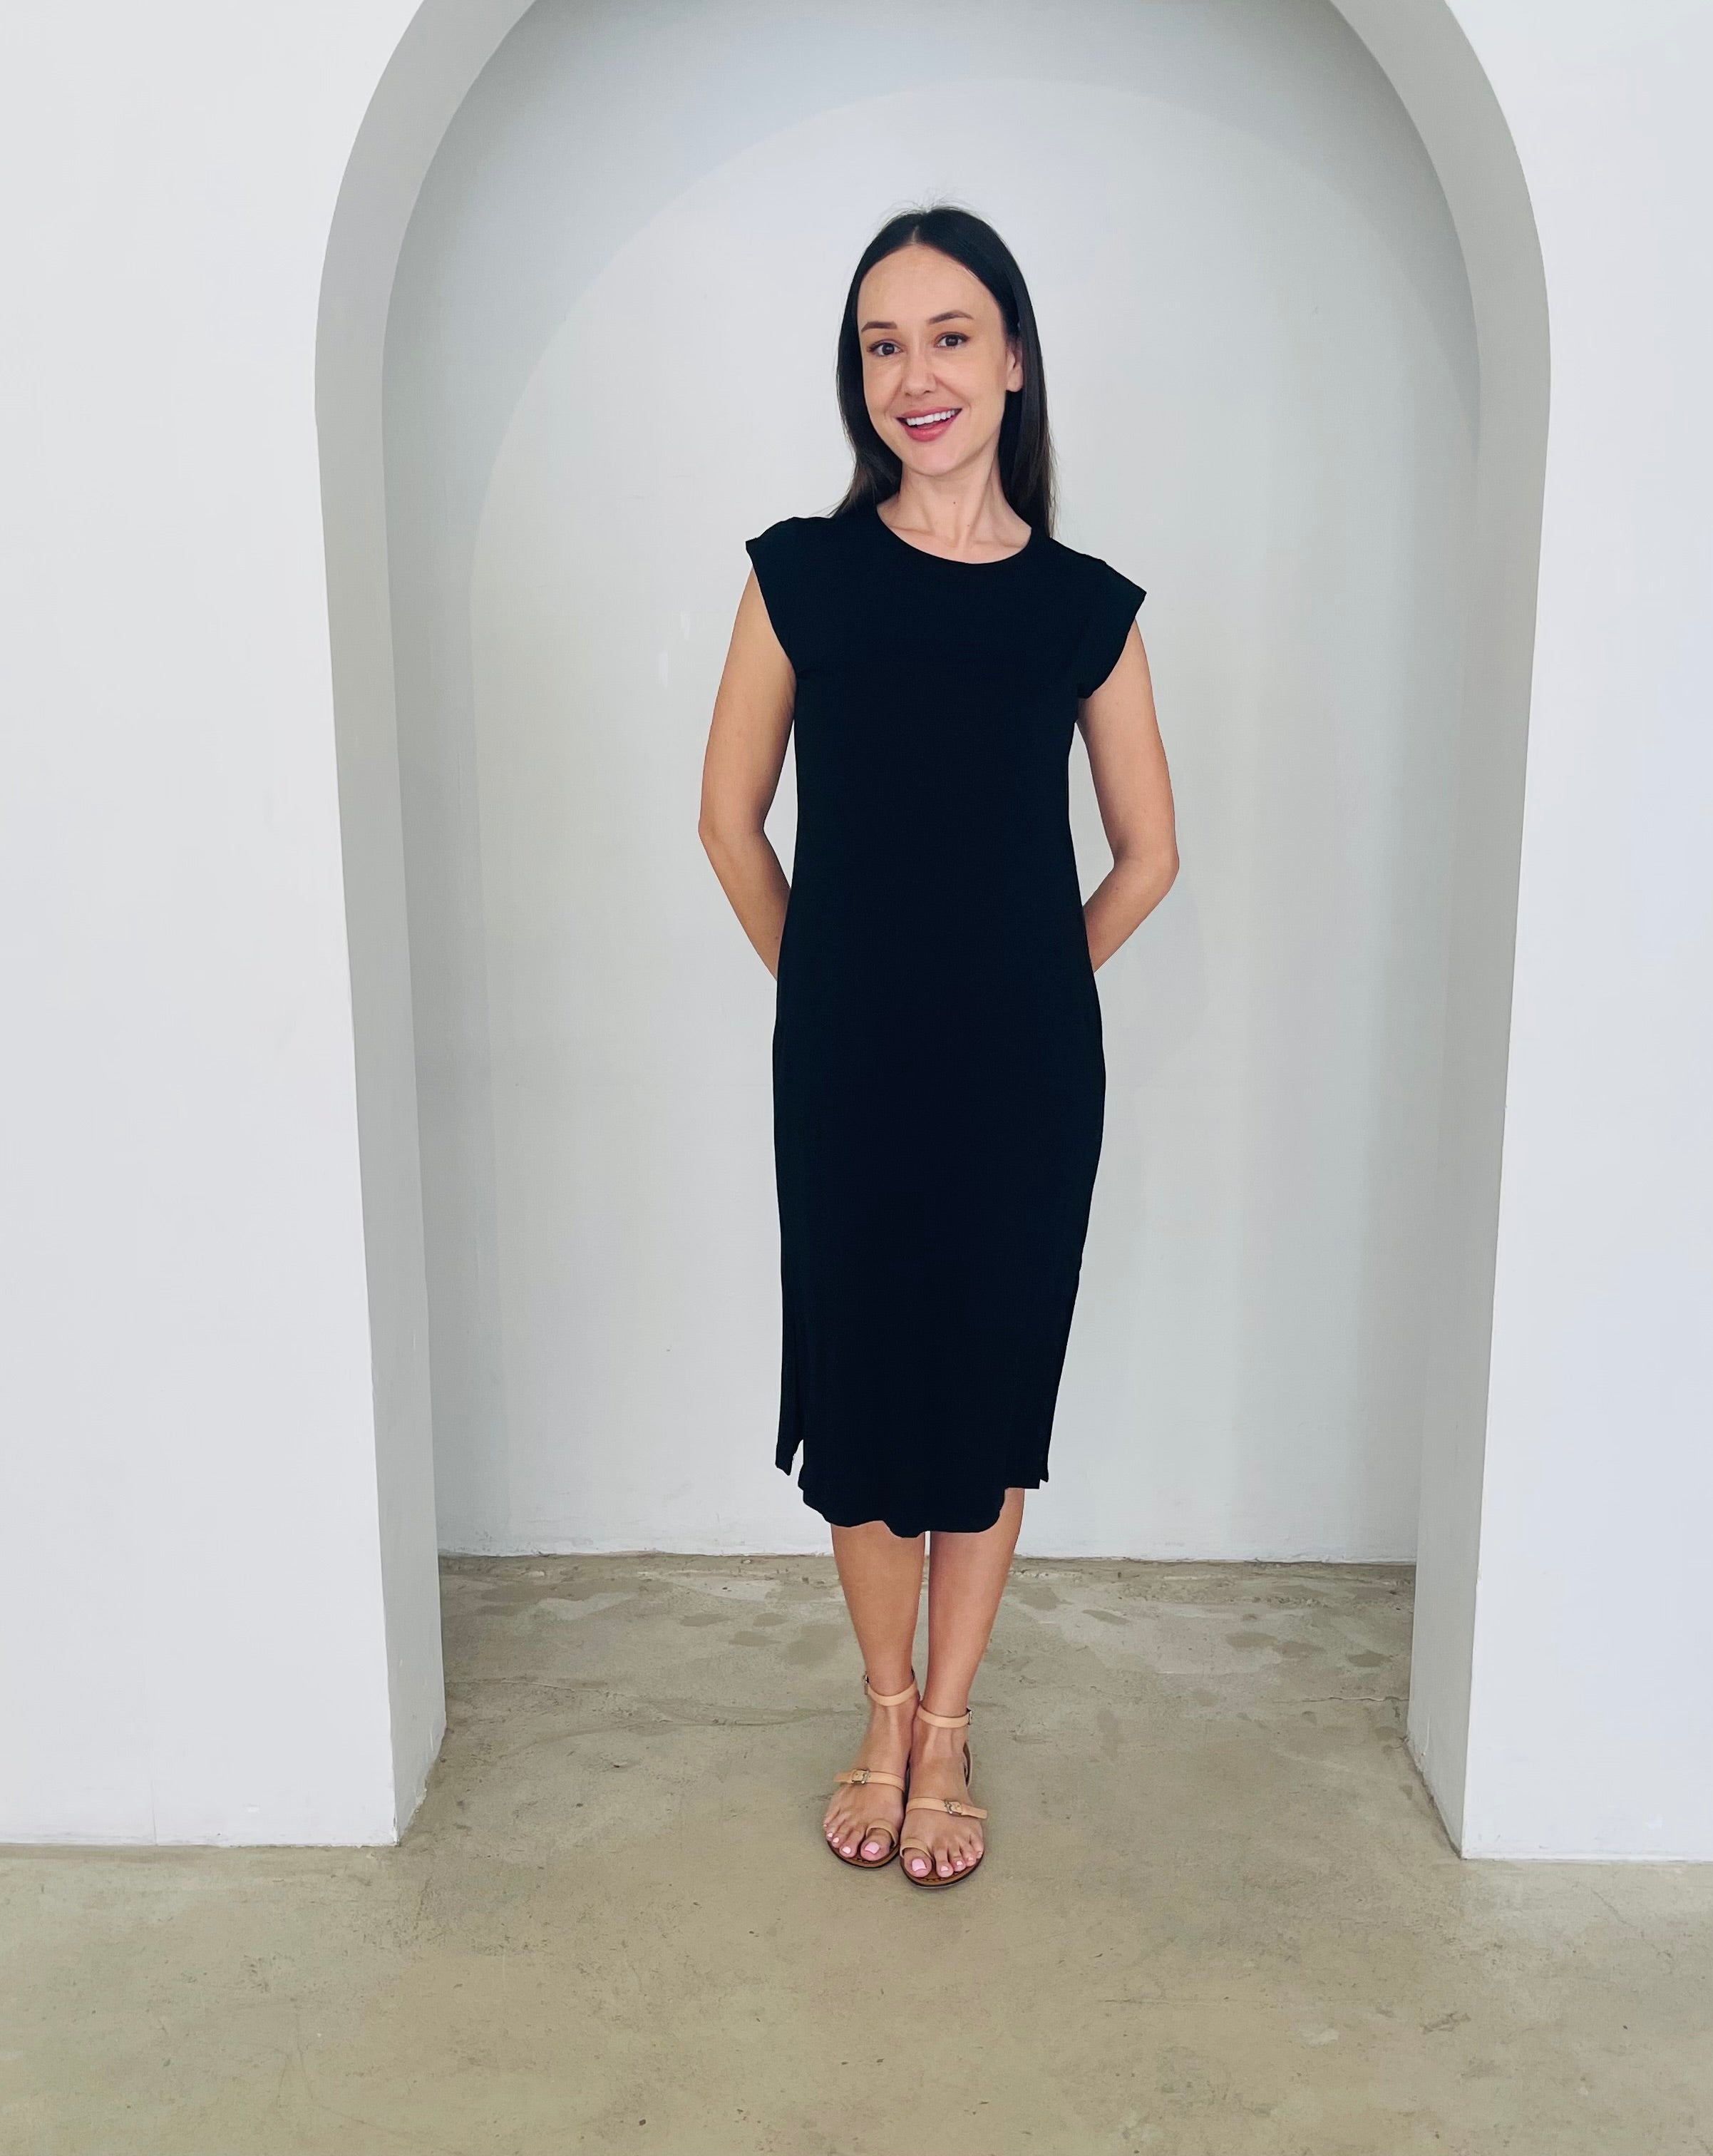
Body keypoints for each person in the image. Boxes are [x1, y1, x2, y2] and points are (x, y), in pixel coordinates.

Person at [697, 206, 1178, 1886]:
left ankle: (951, 1729)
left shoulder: (1084, 608)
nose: (917, 374)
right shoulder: (800, 578)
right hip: (845, 1072)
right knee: (860, 1397)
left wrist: (1020, 985)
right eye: (883, 344)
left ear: (1015, 359)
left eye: (951, 335)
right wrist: (833, 984)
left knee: (982, 1396)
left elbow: (1150, 855)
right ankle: (882, 1709)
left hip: (1024, 1084)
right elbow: (728, 822)